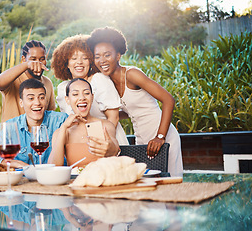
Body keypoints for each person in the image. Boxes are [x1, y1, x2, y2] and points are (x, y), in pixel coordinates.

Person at [86, 27, 183, 177]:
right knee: (148, 186)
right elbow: (131, 111)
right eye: (97, 56)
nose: (102, 60)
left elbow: (168, 100)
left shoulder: (132, 74)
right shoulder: (107, 81)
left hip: (162, 136)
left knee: (170, 186)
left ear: (118, 55)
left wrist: (160, 137)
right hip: (142, 140)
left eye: (107, 55)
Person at [51, 34, 129, 145]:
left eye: (85, 58)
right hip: (80, 144)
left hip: (108, 142)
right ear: (66, 63)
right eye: (74, 58)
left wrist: (100, 144)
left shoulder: (99, 80)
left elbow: (113, 118)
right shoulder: (63, 88)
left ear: (91, 61)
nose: (79, 62)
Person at [0, 79, 68, 168]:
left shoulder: (61, 121)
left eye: (41, 98)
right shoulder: (10, 127)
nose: (37, 103)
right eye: (31, 98)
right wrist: (14, 163)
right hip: (22, 180)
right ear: (21, 103)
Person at [48, 78, 119, 167]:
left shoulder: (105, 125)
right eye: (75, 94)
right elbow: (54, 166)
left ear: (92, 97)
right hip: (75, 180)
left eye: (86, 93)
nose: (82, 98)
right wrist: (64, 128)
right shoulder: (61, 132)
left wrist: (110, 149)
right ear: (67, 100)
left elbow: (115, 150)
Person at [0, 40, 56, 122]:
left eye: (42, 59)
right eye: (33, 59)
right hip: (12, 133)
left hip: (37, 133)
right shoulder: (13, 79)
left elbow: (50, 114)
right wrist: (27, 65)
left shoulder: (47, 83)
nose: (37, 63)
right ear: (24, 59)